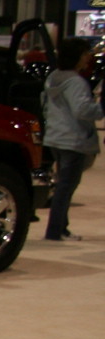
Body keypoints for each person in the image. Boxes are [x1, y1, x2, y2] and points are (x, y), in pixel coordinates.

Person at [42, 37, 101, 241]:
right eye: (86, 54)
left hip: (55, 137)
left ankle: (61, 228)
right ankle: (55, 230)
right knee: (65, 187)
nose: (88, 58)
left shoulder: (54, 77)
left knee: (62, 185)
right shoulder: (76, 82)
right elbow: (83, 110)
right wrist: (101, 108)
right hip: (72, 140)